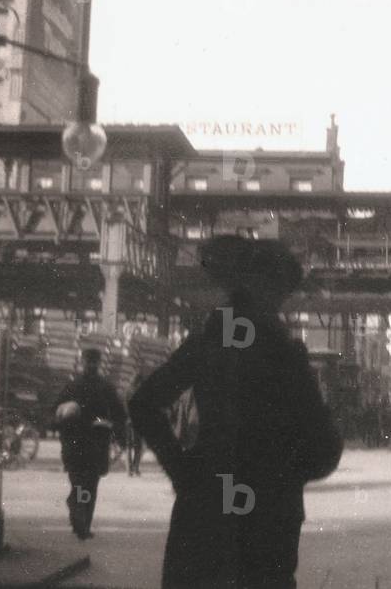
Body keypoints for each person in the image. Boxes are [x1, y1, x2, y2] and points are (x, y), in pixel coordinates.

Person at [129, 236, 342, 589]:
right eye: (280, 293)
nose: (281, 303)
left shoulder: (206, 343)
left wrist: (183, 471)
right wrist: (287, 473)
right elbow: (323, 448)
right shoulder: (283, 355)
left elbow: (142, 403)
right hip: (267, 517)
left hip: (205, 509)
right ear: (268, 288)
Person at [55, 347, 126, 540]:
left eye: (91, 362)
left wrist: (64, 425)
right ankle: (82, 521)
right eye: (91, 362)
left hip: (76, 445)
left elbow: (55, 414)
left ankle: (80, 517)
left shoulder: (72, 386)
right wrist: (118, 434)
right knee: (88, 486)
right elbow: (120, 415)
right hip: (95, 445)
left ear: (82, 362)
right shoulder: (105, 387)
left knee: (80, 483)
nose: (91, 365)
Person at [125, 371, 145, 477]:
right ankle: (135, 467)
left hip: (129, 421)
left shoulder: (128, 391)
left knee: (129, 446)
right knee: (138, 446)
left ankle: (130, 469)